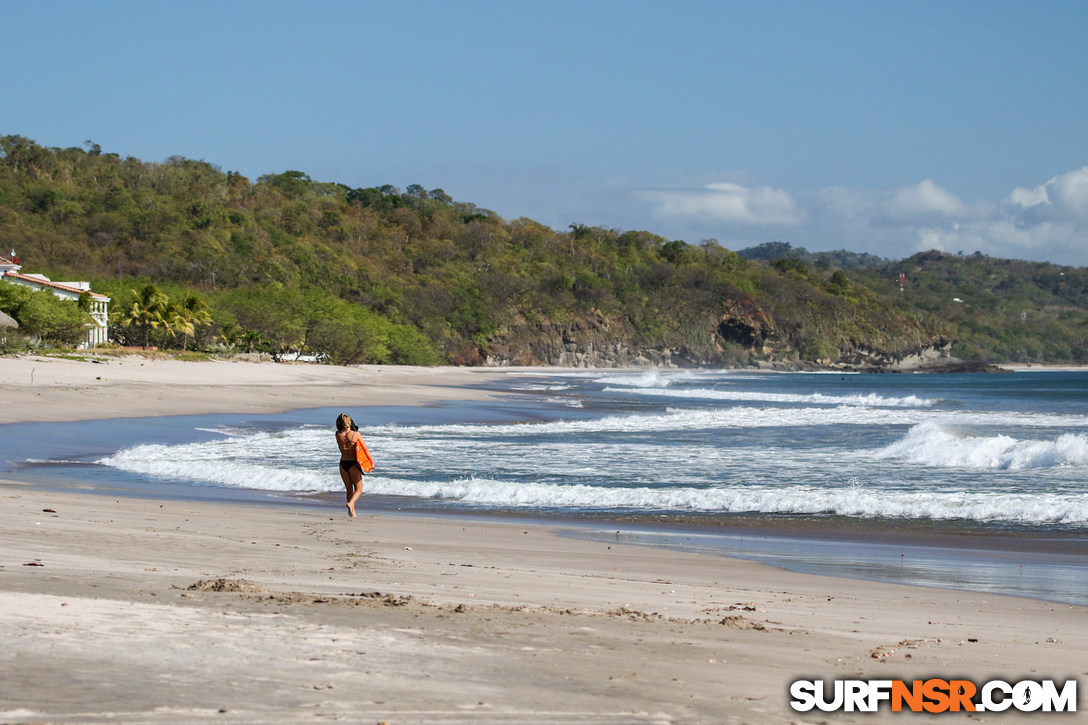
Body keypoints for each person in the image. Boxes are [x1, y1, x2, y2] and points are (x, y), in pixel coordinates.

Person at [334, 412, 367, 517]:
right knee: (359, 489)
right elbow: (365, 450)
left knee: (349, 489)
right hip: (353, 464)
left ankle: (352, 512)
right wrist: (370, 462)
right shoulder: (356, 434)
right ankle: (351, 503)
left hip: (343, 463)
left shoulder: (337, 434)